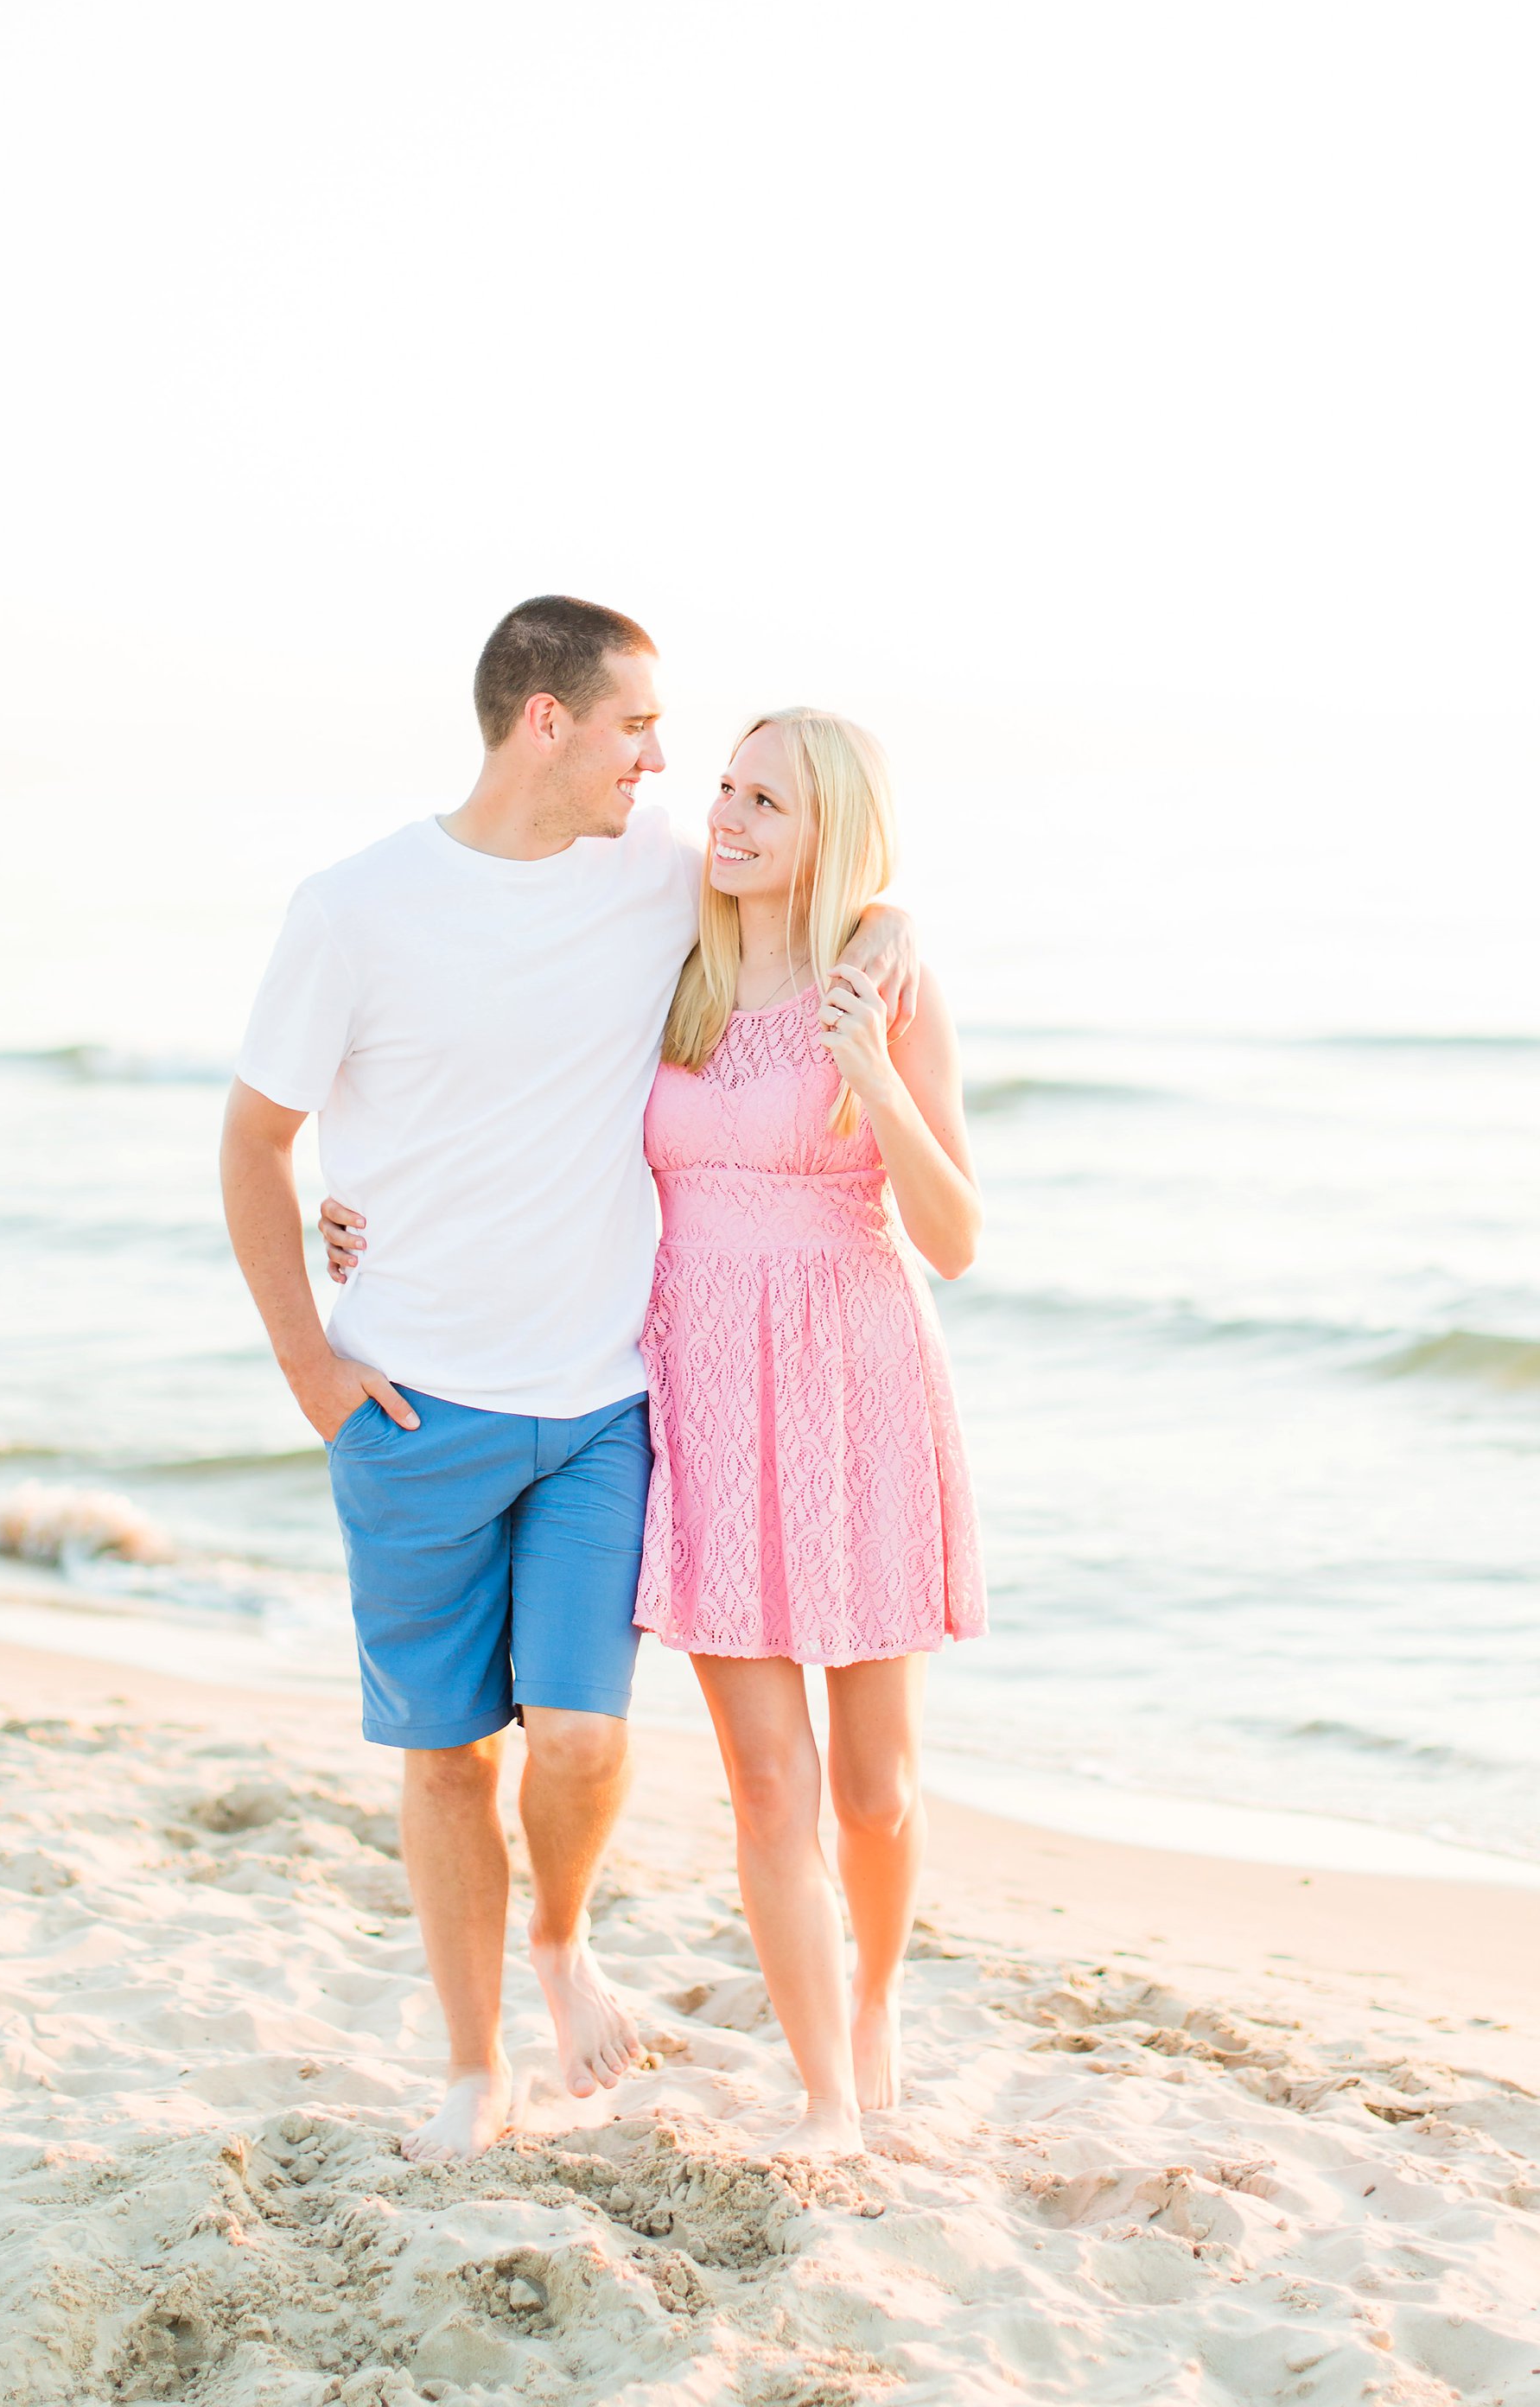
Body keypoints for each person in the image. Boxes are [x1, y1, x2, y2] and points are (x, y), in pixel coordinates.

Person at [221, 598, 918, 2164]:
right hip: (411, 1402)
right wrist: (313, 1370)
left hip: (605, 1403)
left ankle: (563, 1944)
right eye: (634, 730)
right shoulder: (354, 909)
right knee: (449, 1756)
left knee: (587, 1740)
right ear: (547, 721)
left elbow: (833, 881)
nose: (665, 765)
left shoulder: (661, 872)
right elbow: (255, 1142)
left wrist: (895, 938)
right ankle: (478, 2068)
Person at [633, 706, 985, 2154]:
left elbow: (955, 1235)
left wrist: (878, 1069)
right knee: (767, 1780)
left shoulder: (886, 983)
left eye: (765, 801)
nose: (726, 816)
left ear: (829, 826)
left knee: (873, 1784)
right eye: (725, 787)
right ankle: (829, 2098)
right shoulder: (674, 964)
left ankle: (881, 1993)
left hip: (856, 1375)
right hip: (705, 1384)